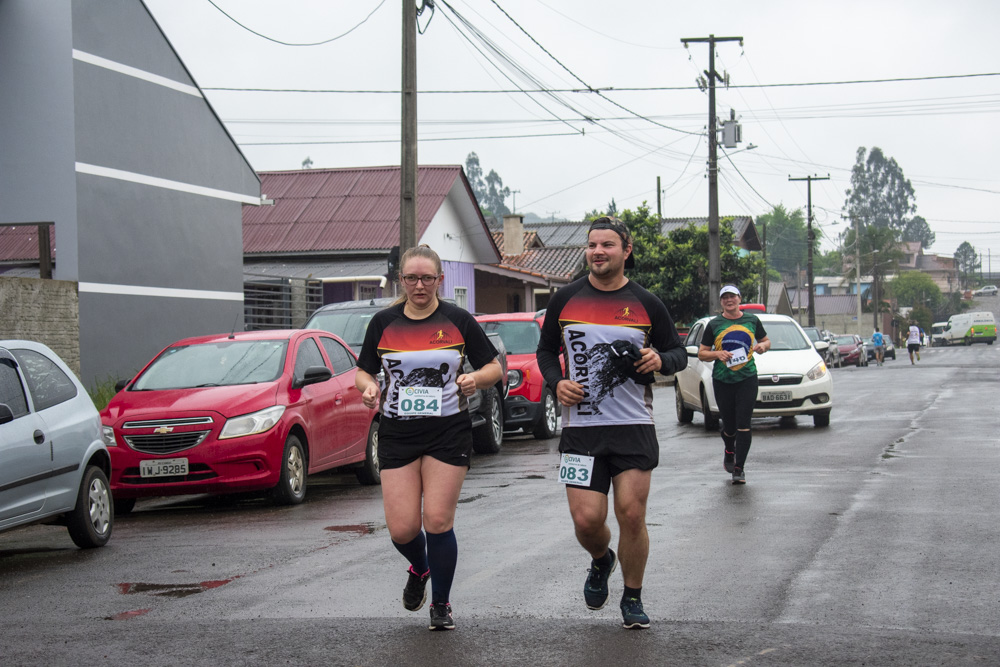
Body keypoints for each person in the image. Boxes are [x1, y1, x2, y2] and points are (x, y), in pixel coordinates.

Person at [536, 216, 686, 630]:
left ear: (626, 250)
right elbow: (546, 351)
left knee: (631, 515)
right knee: (586, 520)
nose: (597, 251)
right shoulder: (564, 300)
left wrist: (661, 360)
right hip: (580, 429)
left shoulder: (647, 302)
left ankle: (633, 597)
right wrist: (556, 382)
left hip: (633, 425)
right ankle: (602, 560)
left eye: (607, 245)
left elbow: (678, 352)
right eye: (592, 245)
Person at [355, 244, 503, 631]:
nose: (419, 285)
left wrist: (475, 378)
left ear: (440, 279)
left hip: (447, 430)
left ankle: (441, 603)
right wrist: (368, 387)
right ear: (400, 280)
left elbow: (494, 366)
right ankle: (420, 568)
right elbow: (364, 371)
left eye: (427, 278)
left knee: (437, 520)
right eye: (411, 278)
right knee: (403, 528)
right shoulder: (383, 323)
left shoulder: (457, 320)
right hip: (397, 433)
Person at [697, 285, 770, 484]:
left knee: (744, 424)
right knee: (729, 425)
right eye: (725, 298)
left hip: (747, 378)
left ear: (739, 299)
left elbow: (766, 341)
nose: (729, 300)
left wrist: (762, 346)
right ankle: (729, 449)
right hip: (723, 380)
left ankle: (739, 468)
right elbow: (702, 353)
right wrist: (717, 354)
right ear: (721, 302)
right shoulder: (714, 324)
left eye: (733, 297)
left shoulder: (752, 320)